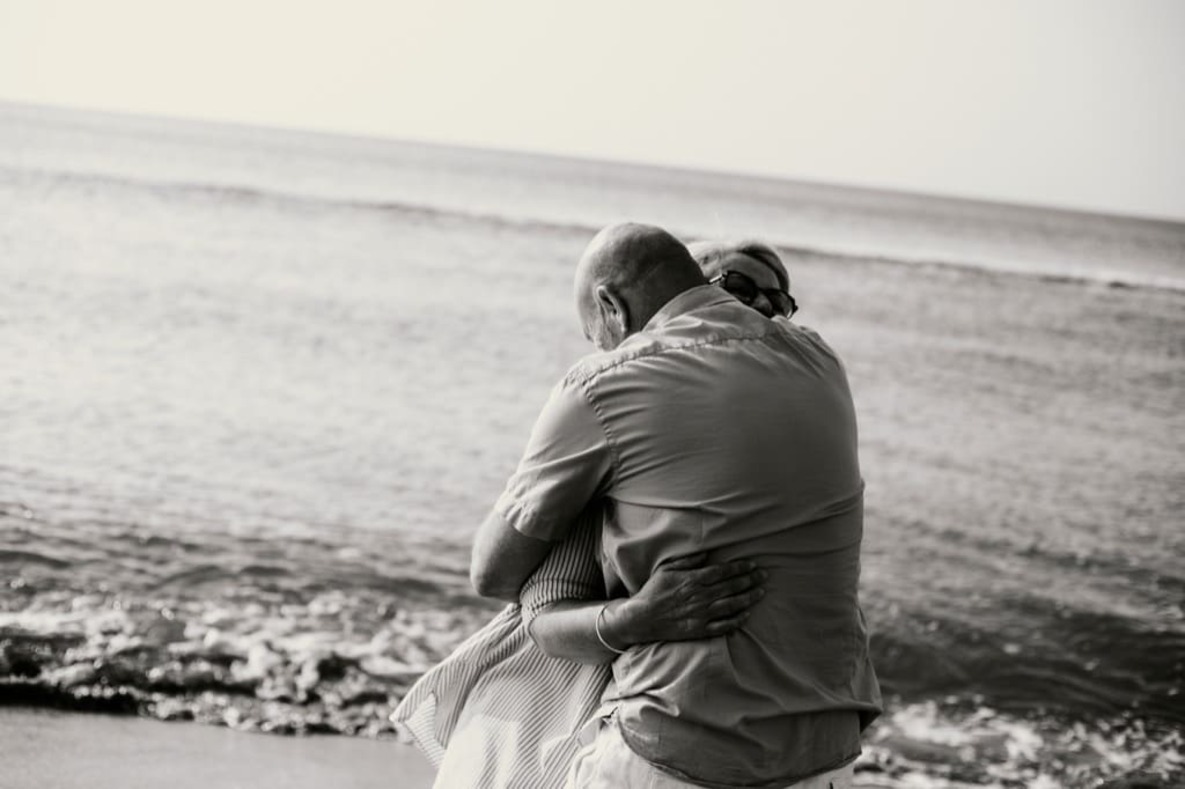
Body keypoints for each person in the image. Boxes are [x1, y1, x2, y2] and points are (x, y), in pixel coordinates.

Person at [470, 223, 881, 788]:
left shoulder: (607, 382)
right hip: (826, 752)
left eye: (599, 334)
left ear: (609, 306)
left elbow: (491, 573)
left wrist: (626, 615)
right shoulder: (822, 363)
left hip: (682, 745)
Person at [391, 237, 792, 787]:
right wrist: (638, 618)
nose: (765, 308)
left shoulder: (784, 450)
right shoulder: (630, 418)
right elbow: (516, 588)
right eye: (739, 287)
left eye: (782, 302)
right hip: (555, 715)